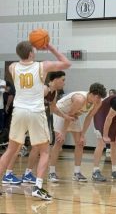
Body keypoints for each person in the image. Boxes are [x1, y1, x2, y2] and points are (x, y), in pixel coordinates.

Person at [0, 41, 71, 200]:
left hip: (18, 112)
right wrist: (51, 48)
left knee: (10, 150)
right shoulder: (42, 66)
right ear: (31, 53)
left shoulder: (12, 67)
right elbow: (66, 63)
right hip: (36, 112)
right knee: (45, 150)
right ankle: (38, 187)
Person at [2, 71, 69, 185]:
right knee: (17, 146)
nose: (64, 82)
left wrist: (66, 116)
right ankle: (8, 174)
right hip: (25, 118)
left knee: (37, 147)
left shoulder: (54, 92)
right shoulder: (44, 89)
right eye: (63, 80)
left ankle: (28, 173)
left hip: (36, 121)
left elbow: (53, 108)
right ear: (55, 79)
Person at [48, 83, 107, 183]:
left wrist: (83, 135)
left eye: (100, 98)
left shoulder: (98, 102)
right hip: (61, 113)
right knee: (59, 142)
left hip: (73, 115)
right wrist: (62, 132)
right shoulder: (80, 99)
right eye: (97, 97)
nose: (98, 100)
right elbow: (68, 115)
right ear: (91, 94)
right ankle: (51, 172)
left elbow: (88, 118)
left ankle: (77, 173)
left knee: (80, 143)